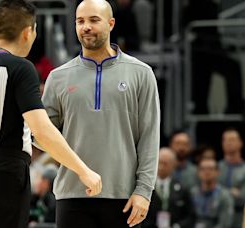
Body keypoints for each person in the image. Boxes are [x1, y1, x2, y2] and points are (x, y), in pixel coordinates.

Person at [0, 1, 102, 228]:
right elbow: (41, 131)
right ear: (28, 32)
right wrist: (83, 171)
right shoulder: (20, 68)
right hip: (5, 175)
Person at [41, 0, 160, 227]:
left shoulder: (142, 73)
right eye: (80, 21)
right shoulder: (58, 77)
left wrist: (144, 191)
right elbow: (43, 135)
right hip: (71, 196)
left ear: (111, 23)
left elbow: (149, 136)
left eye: (94, 20)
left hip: (124, 197)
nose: (86, 27)